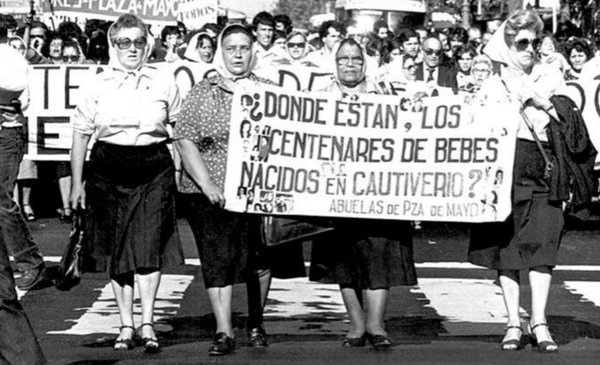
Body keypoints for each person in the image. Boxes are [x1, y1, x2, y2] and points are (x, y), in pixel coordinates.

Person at [469, 8, 595, 353]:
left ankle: (539, 321)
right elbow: (478, 125)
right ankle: (513, 322)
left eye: (534, 41)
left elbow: (563, 118)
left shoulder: (550, 75)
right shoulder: (492, 83)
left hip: (541, 168)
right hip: (503, 171)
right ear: (507, 45)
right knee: (506, 250)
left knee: (542, 247)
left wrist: (531, 96)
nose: (529, 48)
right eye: (521, 42)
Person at [70, 13, 184, 353]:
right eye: (124, 42)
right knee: (118, 252)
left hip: (154, 167)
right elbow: (80, 134)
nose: (131, 49)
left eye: (138, 42)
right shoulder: (96, 83)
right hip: (108, 169)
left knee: (150, 247)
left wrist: (178, 173)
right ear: (112, 45)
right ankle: (125, 324)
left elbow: (178, 131)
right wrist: (77, 183)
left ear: (147, 44)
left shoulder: (164, 81)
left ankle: (147, 322)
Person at [311, 38, 417, 351]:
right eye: (343, 59)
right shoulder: (318, 98)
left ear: (364, 62)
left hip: (378, 191)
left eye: (356, 59)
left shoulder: (384, 94)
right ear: (335, 62)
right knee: (343, 259)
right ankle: (357, 322)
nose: (350, 64)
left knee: (379, 255)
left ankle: (376, 323)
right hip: (334, 192)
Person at [173, 23, 272, 356]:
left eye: (244, 48)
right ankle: (224, 330)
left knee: (258, 258)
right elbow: (185, 139)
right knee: (218, 261)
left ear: (253, 51)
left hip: (256, 192)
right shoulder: (204, 91)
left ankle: (256, 322)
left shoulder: (270, 92)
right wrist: (207, 184)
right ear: (221, 52)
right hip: (212, 193)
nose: (238, 54)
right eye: (231, 48)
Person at [0, 22, 46, 365]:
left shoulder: (11, 57)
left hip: (6, 135)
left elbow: (19, 93)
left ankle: (29, 258)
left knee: (0, 199)